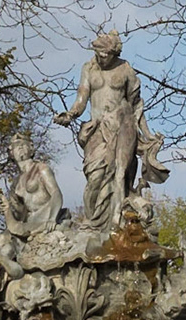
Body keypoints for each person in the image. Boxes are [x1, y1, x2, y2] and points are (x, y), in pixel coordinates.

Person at [53, 31, 169, 234]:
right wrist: (70, 115)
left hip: (123, 125)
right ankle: (93, 221)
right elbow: (82, 98)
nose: (102, 58)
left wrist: (147, 134)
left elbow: (136, 105)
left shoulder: (125, 69)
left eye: (107, 54)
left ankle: (116, 223)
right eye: (99, 53)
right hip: (98, 129)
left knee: (119, 175)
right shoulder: (88, 68)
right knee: (95, 177)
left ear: (114, 53)